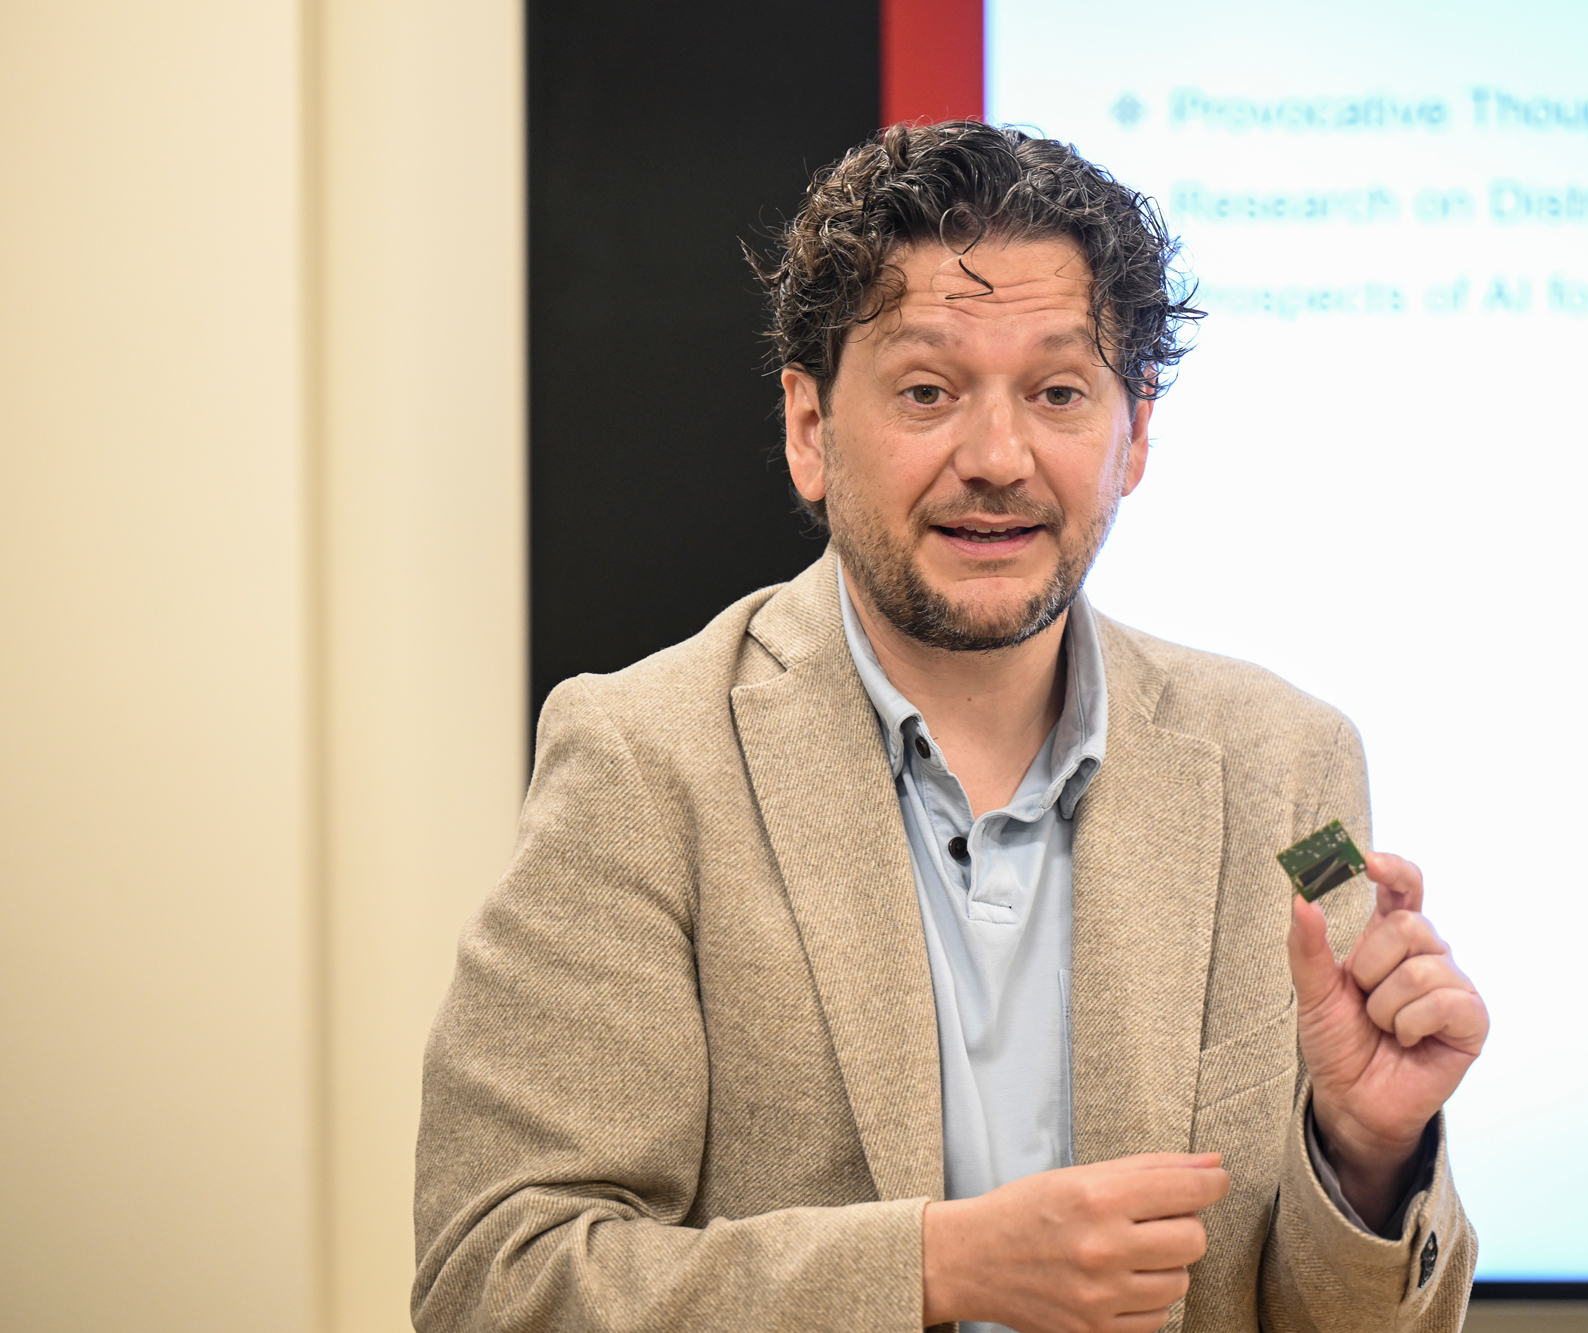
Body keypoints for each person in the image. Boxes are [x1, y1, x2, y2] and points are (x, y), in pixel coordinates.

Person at [414, 121, 1489, 1333]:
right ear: (809, 430)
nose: (995, 457)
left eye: (1058, 393)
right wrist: (935, 1268)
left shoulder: (1285, 763)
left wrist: (1366, 1155)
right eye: (926, 391)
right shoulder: (644, 761)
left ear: (1132, 437)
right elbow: (497, 1281)